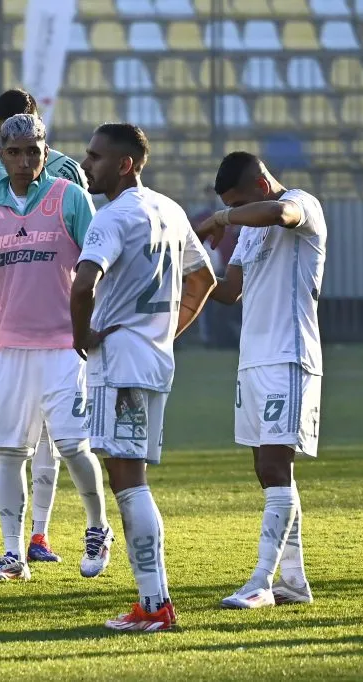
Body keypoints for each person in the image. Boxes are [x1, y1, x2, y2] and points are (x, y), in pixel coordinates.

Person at [71, 123, 216, 632]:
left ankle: (155, 605)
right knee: (129, 477)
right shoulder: (171, 210)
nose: (87, 164)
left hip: (119, 364)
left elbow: (83, 283)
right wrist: (166, 331)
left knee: (129, 481)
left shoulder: (111, 217)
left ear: (125, 164)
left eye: (95, 157)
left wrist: (80, 336)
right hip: (153, 361)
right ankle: (153, 603)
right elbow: (203, 278)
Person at [0, 114, 111, 583]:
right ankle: (13, 555)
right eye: (15, 152)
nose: (25, 160)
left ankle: (97, 527)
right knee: (9, 452)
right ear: (1, 154)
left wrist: (91, 330)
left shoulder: (70, 198)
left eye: (34, 150)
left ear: (45, 152)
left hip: (62, 347)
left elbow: (98, 264)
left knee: (72, 445)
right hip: (9, 348)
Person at [196, 152, 326, 610]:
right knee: (269, 472)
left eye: (237, 204)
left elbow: (279, 212)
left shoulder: (299, 204)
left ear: (260, 184)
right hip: (253, 361)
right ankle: (293, 581)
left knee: (275, 467)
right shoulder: (250, 228)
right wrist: (193, 261)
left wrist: (222, 218)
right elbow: (231, 291)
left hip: (289, 357)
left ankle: (261, 582)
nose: (234, 218)